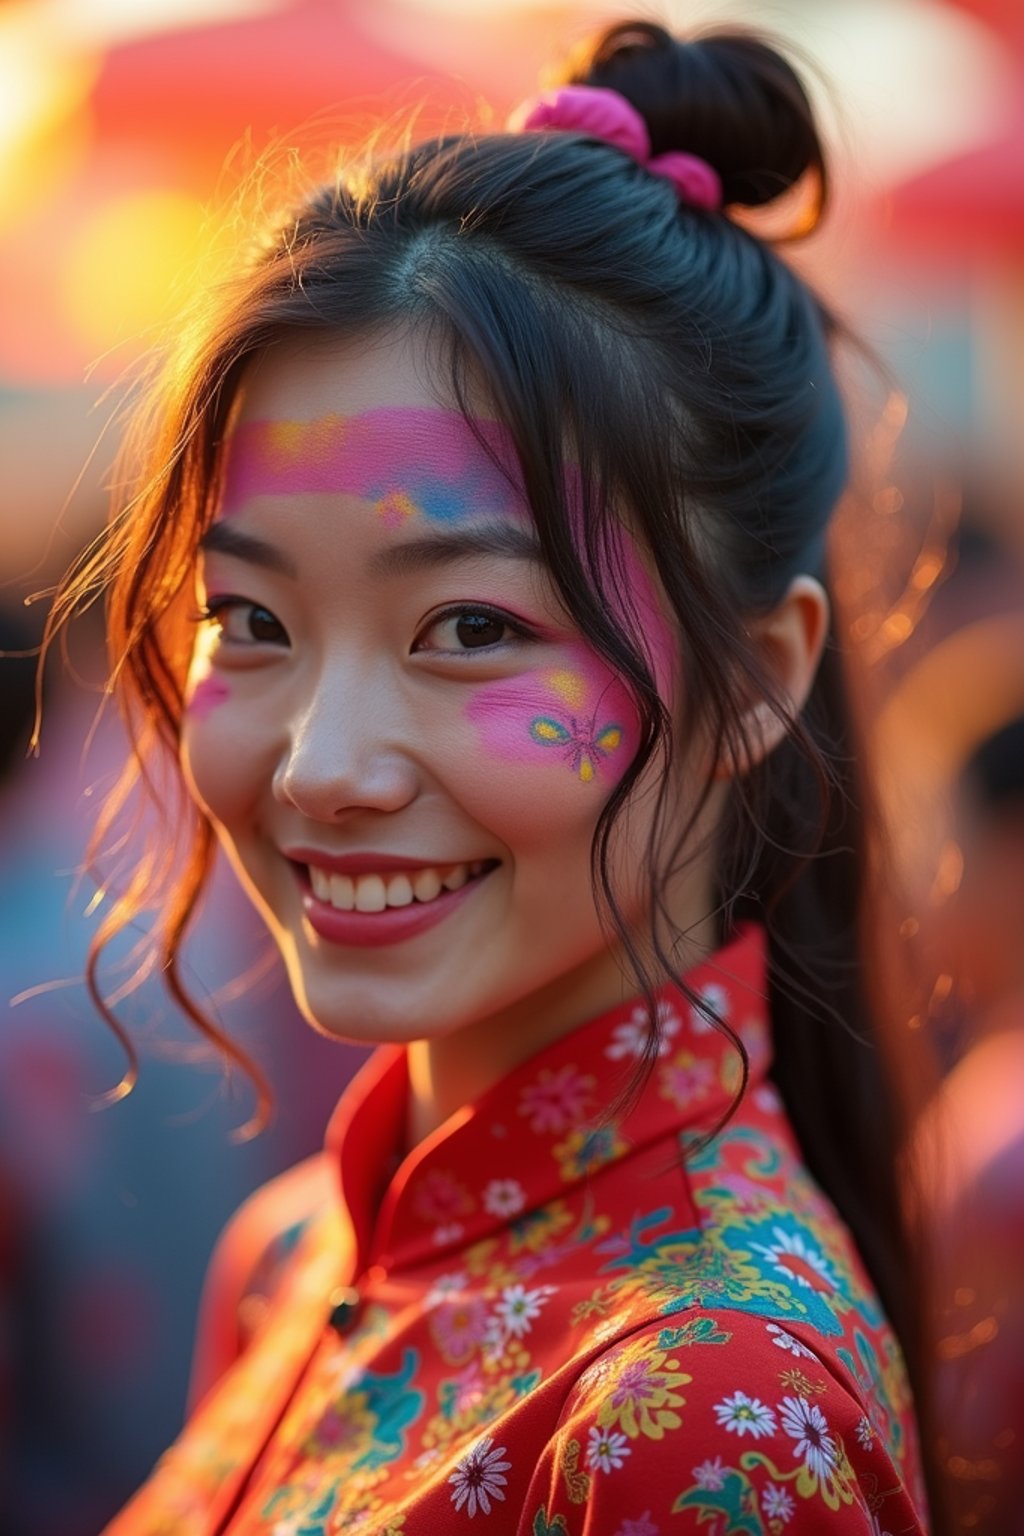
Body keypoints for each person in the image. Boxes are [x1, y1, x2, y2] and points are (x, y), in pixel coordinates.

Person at [50, 17, 936, 1534]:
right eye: (249, 621)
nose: (322, 767)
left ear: (763, 677)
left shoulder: (704, 1415)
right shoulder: (294, 1261)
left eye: (470, 626)